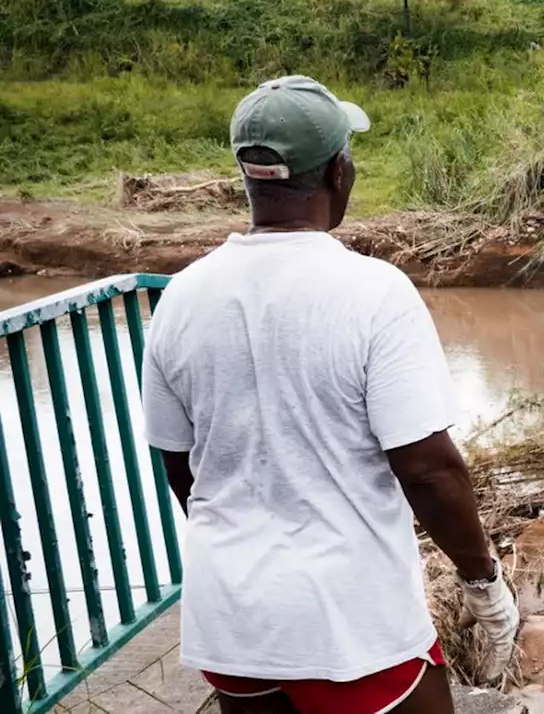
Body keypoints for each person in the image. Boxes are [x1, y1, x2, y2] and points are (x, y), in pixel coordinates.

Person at [142, 75, 520, 714]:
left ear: (248, 177)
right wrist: (483, 580)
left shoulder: (181, 296)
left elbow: (180, 465)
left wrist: (247, 548)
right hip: (351, 622)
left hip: (232, 618)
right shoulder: (374, 292)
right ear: (339, 173)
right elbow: (428, 469)